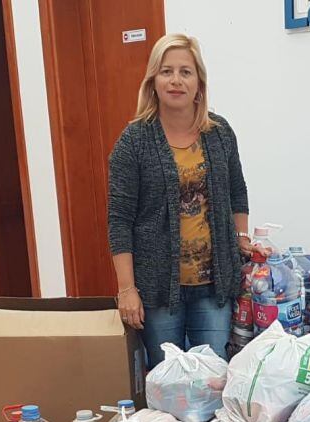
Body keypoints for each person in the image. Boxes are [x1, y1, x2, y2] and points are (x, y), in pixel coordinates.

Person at [108, 33, 251, 368]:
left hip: (214, 286)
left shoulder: (219, 132)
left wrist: (243, 239)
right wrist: (127, 289)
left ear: (198, 82)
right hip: (157, 290)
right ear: (153, 81)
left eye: (185, 72)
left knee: (215, 376)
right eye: (166, 71)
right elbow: (119, 219)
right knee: (167, 383)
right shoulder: (134, 142)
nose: (176, 80)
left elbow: (237, 191)